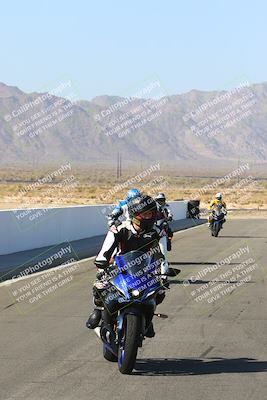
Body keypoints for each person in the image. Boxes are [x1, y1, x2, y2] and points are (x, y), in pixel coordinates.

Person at [86, 195, 167, 338]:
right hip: (118, 268)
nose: (148, 217)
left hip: (144, 270)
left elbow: (163, 254)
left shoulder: (157, 232)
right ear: (135, 215)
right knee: (100, 287)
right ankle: (99, 312)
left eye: (151, 214)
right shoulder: (119, 229)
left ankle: (147, 319)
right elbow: (105, 250)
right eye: (145, 214)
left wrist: (164, 272)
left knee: (160, 292)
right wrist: (102, 263)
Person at [154, 193, 173, 274]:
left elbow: (170, 213)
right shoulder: (153, 207)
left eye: (162, 200)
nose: (161, 201)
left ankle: (168, 242)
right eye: (159, 200)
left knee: (169, 231)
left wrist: (169, 217)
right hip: (154, 226)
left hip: (162, 225)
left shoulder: (167, 206)